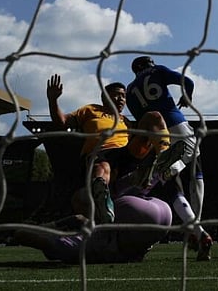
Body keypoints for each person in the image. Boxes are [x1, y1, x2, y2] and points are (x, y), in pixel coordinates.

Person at [47, 74, 169, 225]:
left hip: (124, 155)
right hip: (99, 154)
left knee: (154, 116)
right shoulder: (90, 110)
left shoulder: (126, 121)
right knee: (102, 167)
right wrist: (53, 100)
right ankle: (103, 201)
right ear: (105, 97)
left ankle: (165, 156)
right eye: (117, 95)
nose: (121, 99)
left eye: (123, 96)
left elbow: (141, 141)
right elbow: (62, 122)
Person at [125, 56, 212, 261]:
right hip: (176, 123)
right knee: (194, 166)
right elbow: (187, 81)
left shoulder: (129, 90)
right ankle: (195, 225)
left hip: (157, 135)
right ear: (149, 65)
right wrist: (187, 96)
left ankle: (196, 230)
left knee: (172, 186)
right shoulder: (157, 71)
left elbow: (141, 120)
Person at [14, 194, 172, 264]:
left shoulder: (76, 246)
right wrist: (48, 227)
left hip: (159, 221)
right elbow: (78, 218)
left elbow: (22, 235)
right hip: (153, 213)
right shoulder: (77, 243)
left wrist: (45, 229)